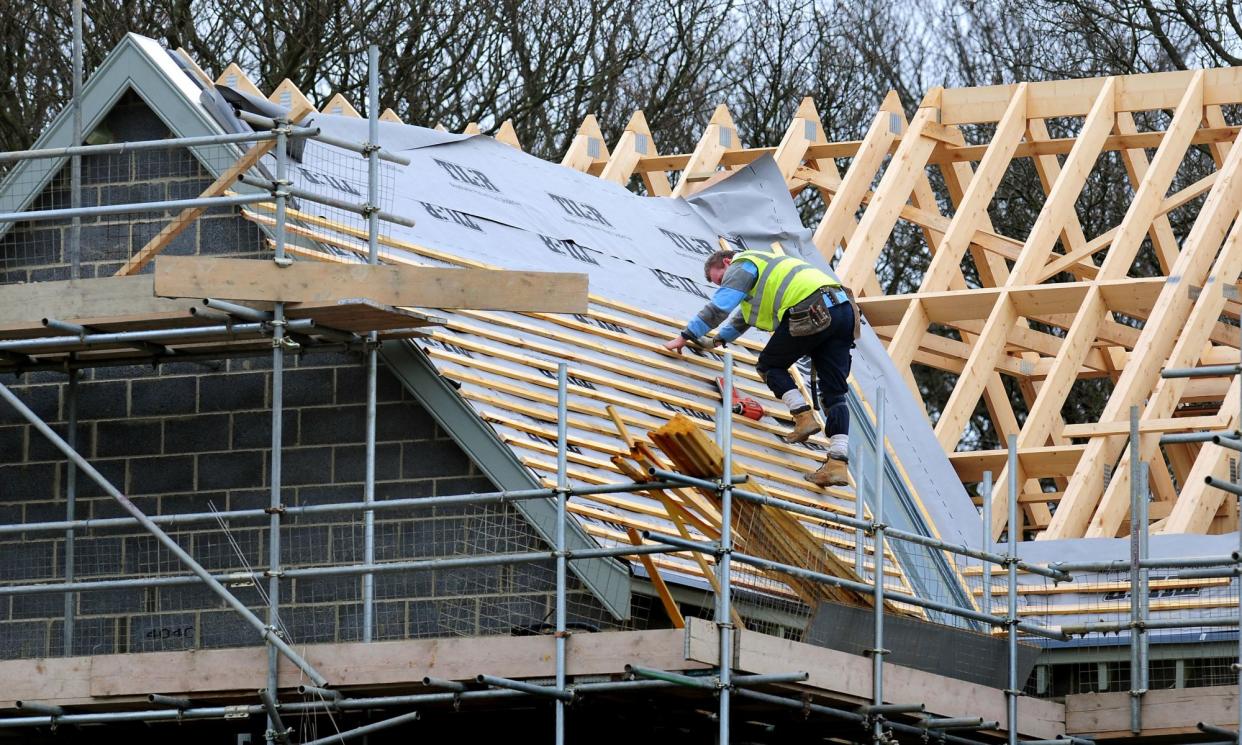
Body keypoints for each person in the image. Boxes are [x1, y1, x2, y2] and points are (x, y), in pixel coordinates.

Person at [663, 248, 859, 487]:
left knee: (769, 365)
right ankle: (838, 464)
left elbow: (719, 307)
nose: (723, 286)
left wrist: (686, 335)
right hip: (844, 309)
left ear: (727, 262)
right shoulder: (767, 270)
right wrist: (716, 340)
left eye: (721, 280)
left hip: (813, 307)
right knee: (835, 396)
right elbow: (743, 317)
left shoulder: (743, 264)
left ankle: (803, 417)